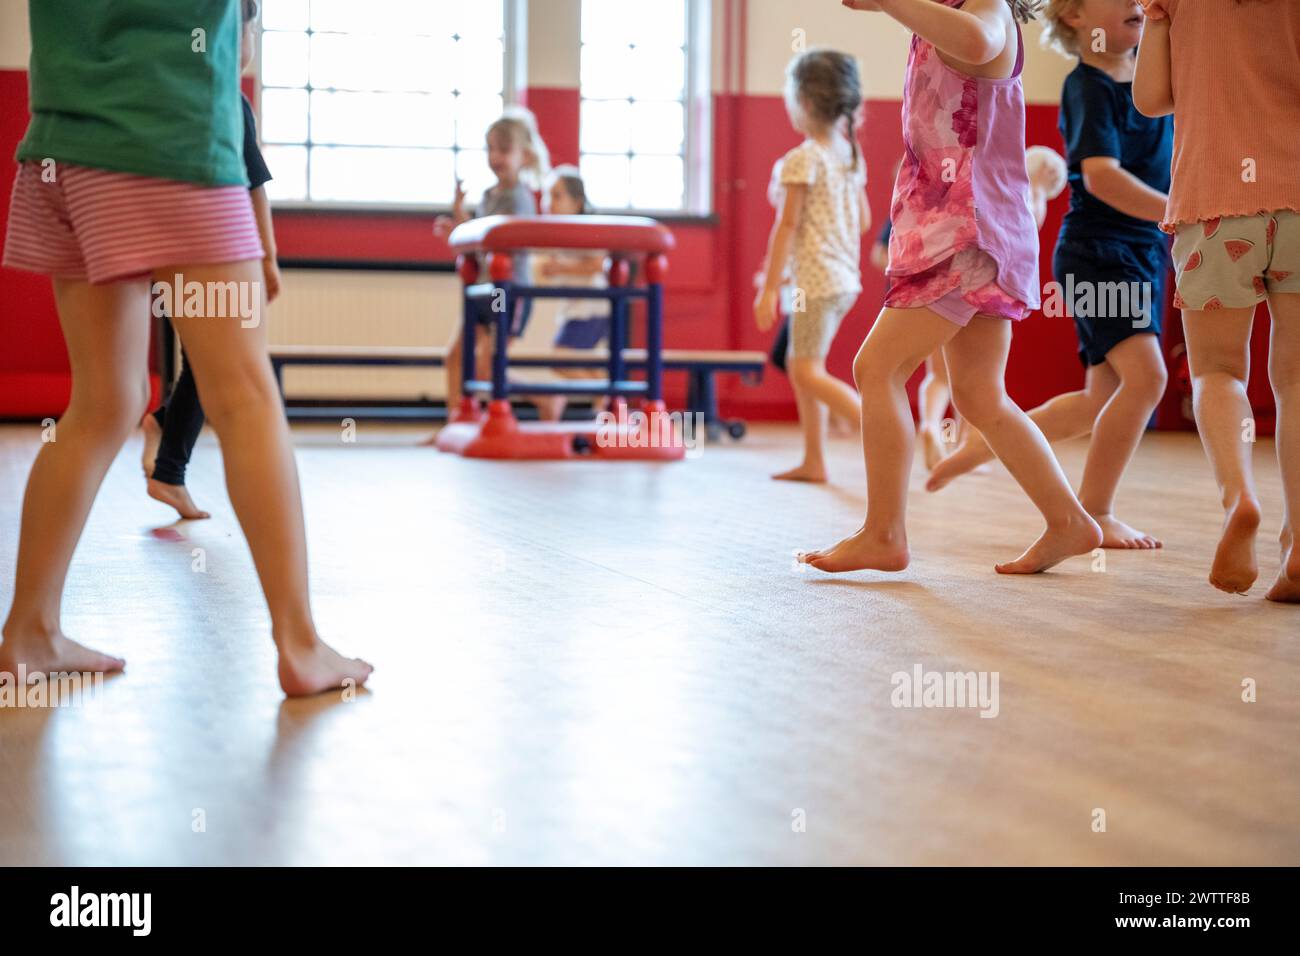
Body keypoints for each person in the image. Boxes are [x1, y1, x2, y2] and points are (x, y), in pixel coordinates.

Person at [0, 0, 371, 696]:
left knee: (102, 404)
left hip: (60, 152)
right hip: (171, 145)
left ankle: (28, 633)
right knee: (244, 394)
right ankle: (300, 644)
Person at [802, 0, 1103, 574]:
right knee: (980, 395)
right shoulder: (940, 21)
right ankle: (1069, 521)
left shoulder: (986, 12)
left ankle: (884, 532)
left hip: (966, 234)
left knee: (878, 369)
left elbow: (979, 43)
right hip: (971, 230)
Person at [927, 1, 1172, 553]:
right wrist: (1177, 208)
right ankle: (1098, 512)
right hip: (1099, 255)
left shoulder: (1154, 81)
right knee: (1147, 379)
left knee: (1098, 400)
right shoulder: (1087, 87)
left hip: (1144, 251)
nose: (1135, 3)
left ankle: (984, 445)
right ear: (1076, 17)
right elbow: (1104, 180)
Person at [1135, 0, 1300, 599]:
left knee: (1218, 370)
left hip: (1214, 201)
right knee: (1298, 380)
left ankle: (1240, 497)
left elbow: (1151, 97)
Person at [140, 0, 282, 521]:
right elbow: (255, 190)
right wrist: (268, 260)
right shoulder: (229, 100)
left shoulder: (161, 99)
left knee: (199, 359)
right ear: (237, 35)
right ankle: (170, 466)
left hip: (157, 250)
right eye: (252, 30)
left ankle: (164, 436)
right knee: (216, 365)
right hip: (214, 251)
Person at [755, 49, 869, 483]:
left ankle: (871, 422)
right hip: (842, 280)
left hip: (818, 283)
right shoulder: (847, 154)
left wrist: (768, 287)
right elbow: (861, 221)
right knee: (806, 367)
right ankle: (814, 460)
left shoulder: (803, 158)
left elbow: (787, 226)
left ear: (803, 103)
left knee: (804, 369)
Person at [432, 107, 549, 425]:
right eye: (490, 149)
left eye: (503, 149)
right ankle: (457, 421)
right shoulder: (488, 196)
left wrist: (471, 230)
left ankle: (541, 397)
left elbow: (504, 243)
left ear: (523, 156)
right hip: (483, 289)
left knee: (489, 362)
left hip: (508, 291)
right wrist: (459, 222)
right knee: (456, 356)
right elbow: (480, 241)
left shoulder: (520, 198)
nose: (495, 156)